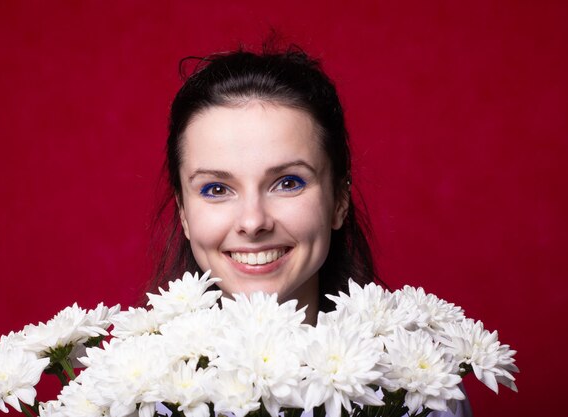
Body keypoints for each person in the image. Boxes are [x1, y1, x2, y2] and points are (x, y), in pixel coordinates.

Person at [148, 45, 472, 417]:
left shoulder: (421, 389)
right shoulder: (137, 401)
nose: (253, 222)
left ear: (338, 200)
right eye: (216, 189)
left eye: (287, 182)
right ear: (184, 214)